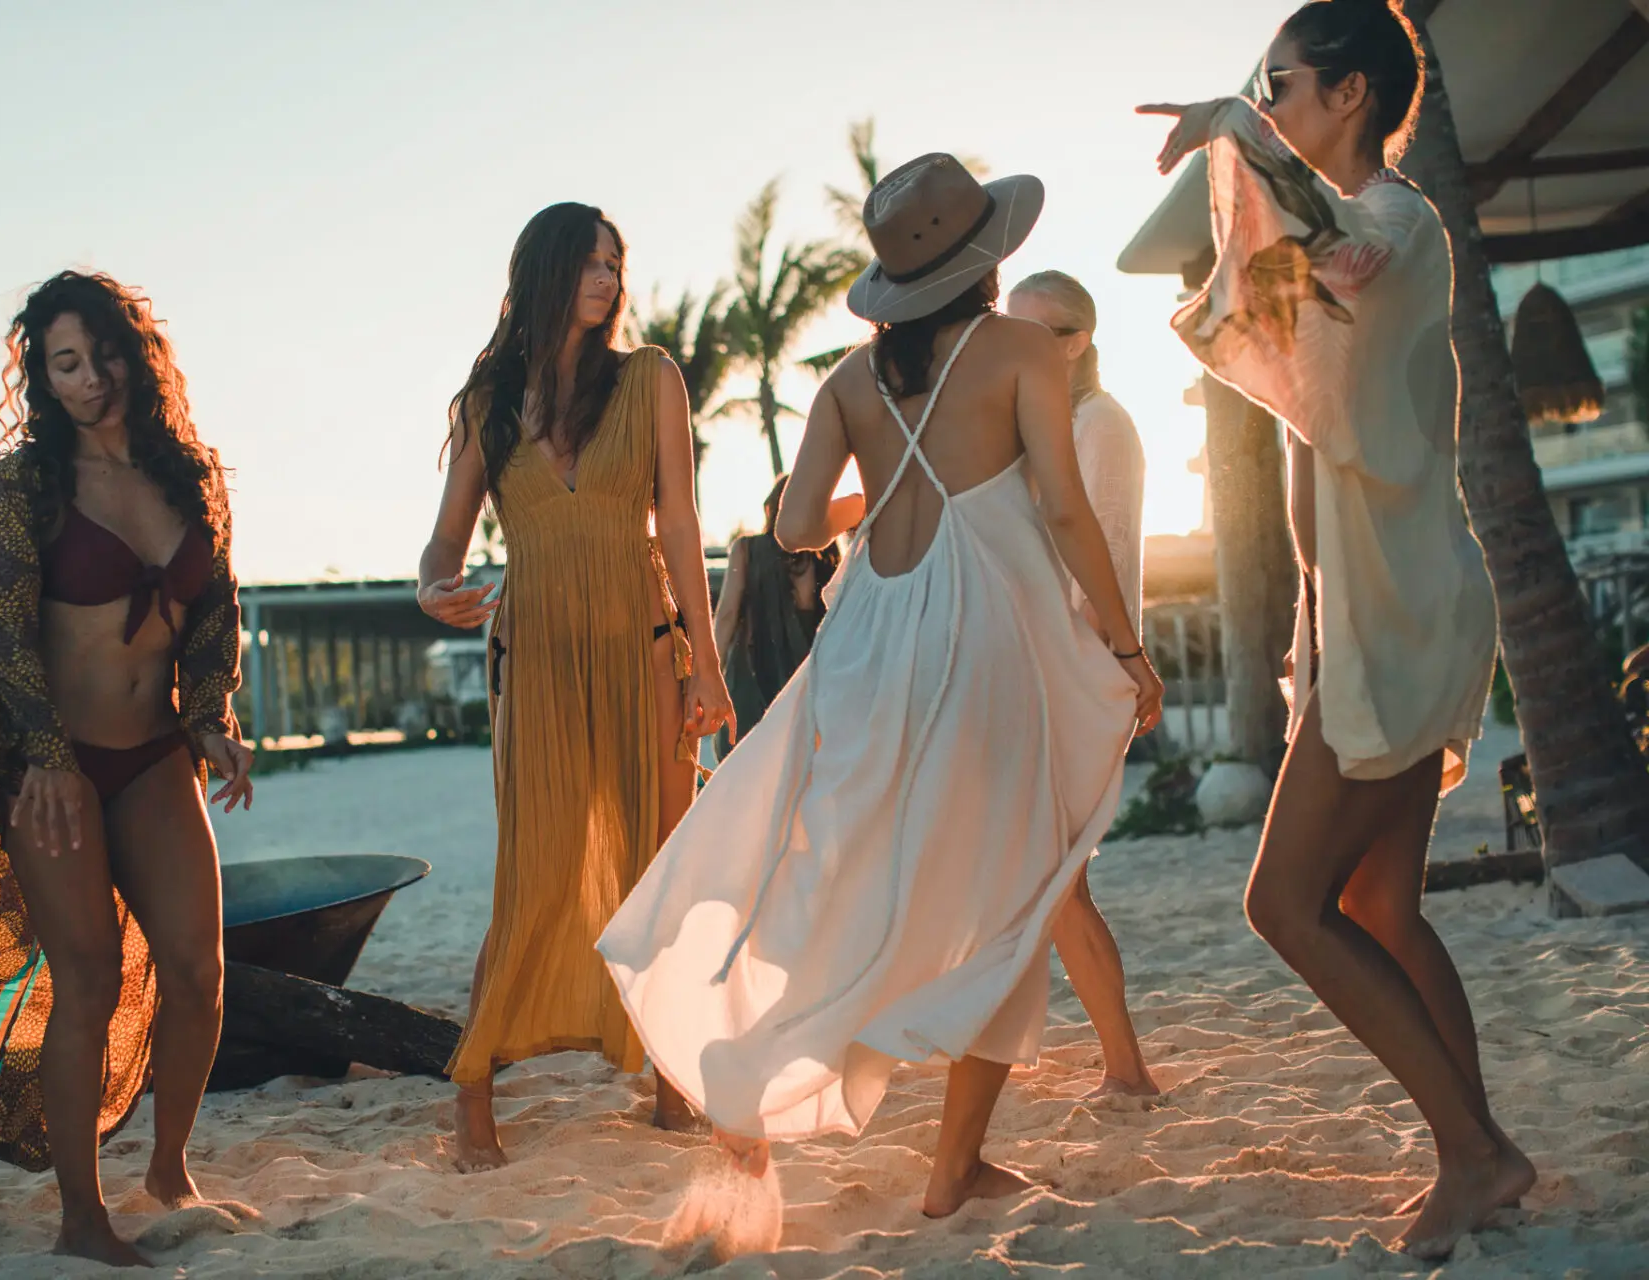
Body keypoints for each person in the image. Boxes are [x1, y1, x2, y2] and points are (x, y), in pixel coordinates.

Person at [599, 154, 1164, 1217]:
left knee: (842, 873)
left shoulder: (850, 382)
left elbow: (795, 527)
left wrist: (892, 477)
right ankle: (952, 1168)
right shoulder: (1021, 351)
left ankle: (748, 1071)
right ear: (986, 259)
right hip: (978, 631)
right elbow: (1065, 510)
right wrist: (1127, 650)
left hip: (867, 635)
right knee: (1016, 883)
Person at [1140, 0, 1534, 1258]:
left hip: (1403, 614)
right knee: (1384, 903)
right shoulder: (1352, 236)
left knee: (1284, 904)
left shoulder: (1398, 222)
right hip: (1383, 609)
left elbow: (1334, 250)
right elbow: (1274, 297)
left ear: (1350, 92)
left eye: (1283, 82)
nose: (1271, 101)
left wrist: (1231, 133)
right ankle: (1482, 1153)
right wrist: (1240, 155)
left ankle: (1476, 1153)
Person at [0, 271, 256, 1267]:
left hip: (153, 755)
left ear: (138, 352)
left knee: (198, 969)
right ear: (43, 378)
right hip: (55, 761)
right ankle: (82, 1218)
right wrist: (41, 756)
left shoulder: (193, 475)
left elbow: (216, 612)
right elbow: (2, 635)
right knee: (84, 975)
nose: (92, 380)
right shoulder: (24, 489)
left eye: (104, 355)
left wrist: (213, 716)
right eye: (67, 364)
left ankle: (171, 1166)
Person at [418, 202, 733, 1172]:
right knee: (536, 874)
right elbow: (445, 538)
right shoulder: (489, 398)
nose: (607, 278)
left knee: (658, 872)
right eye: (590, 262)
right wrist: (433, 587)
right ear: (545, 271)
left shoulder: (650, 380)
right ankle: (473, 1098)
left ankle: (675, 1088)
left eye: (615, 262)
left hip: (644, 645)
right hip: (537, 654)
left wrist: (709, 666)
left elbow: (681, 524)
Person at [1006, 270, 1157, 1099]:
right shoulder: (1045, 427)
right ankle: (1122, 1067)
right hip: (1037, 677)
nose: (1015, 347)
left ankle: (1127, 1070)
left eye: (1036, 334)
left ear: (1078, 341)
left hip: (1070, 681)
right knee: (1054, 882)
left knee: (1059, 882)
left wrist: (1101, 672)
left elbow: (1110, 567)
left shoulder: (1102, 427)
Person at [710, 476, 849, 760]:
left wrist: (711, 673)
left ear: (772, 508)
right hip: (807, 693)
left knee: (742, 779)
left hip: (750, 686)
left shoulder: (747, 550)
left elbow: (726, 616)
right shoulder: (826, 558)